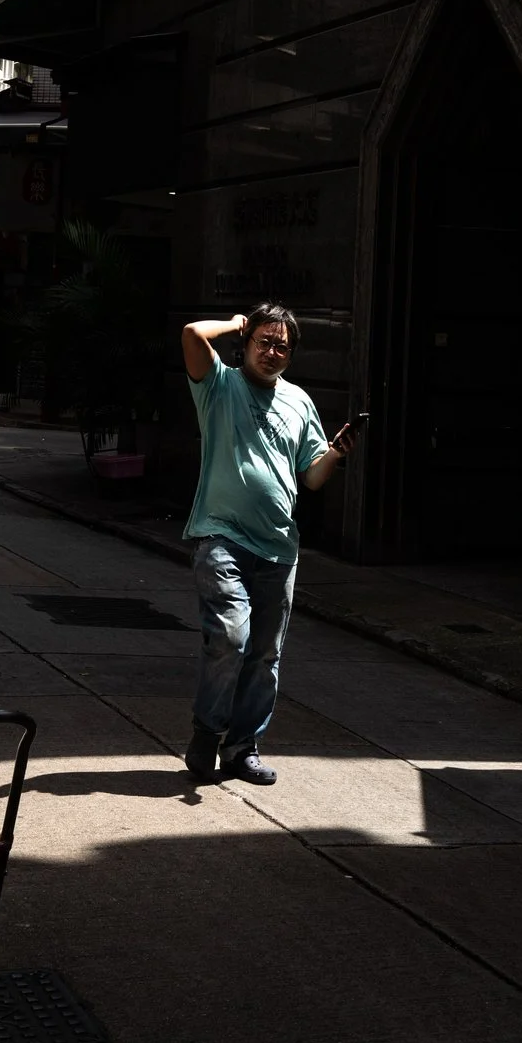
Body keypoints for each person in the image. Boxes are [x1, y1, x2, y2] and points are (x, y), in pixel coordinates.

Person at [178, 303, 357, 785]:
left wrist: (336, 453)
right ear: (246, 342)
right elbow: (194, 333)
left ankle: (242, 748)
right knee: (231, 638)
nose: (273, 351)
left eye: (283, 345)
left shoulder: (299, 402)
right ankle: (206, 730)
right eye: (264, 341)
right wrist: (236, 323)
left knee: (264, 654)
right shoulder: (219, 385)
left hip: (278, 548)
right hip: (220, 535)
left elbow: (312, 477)